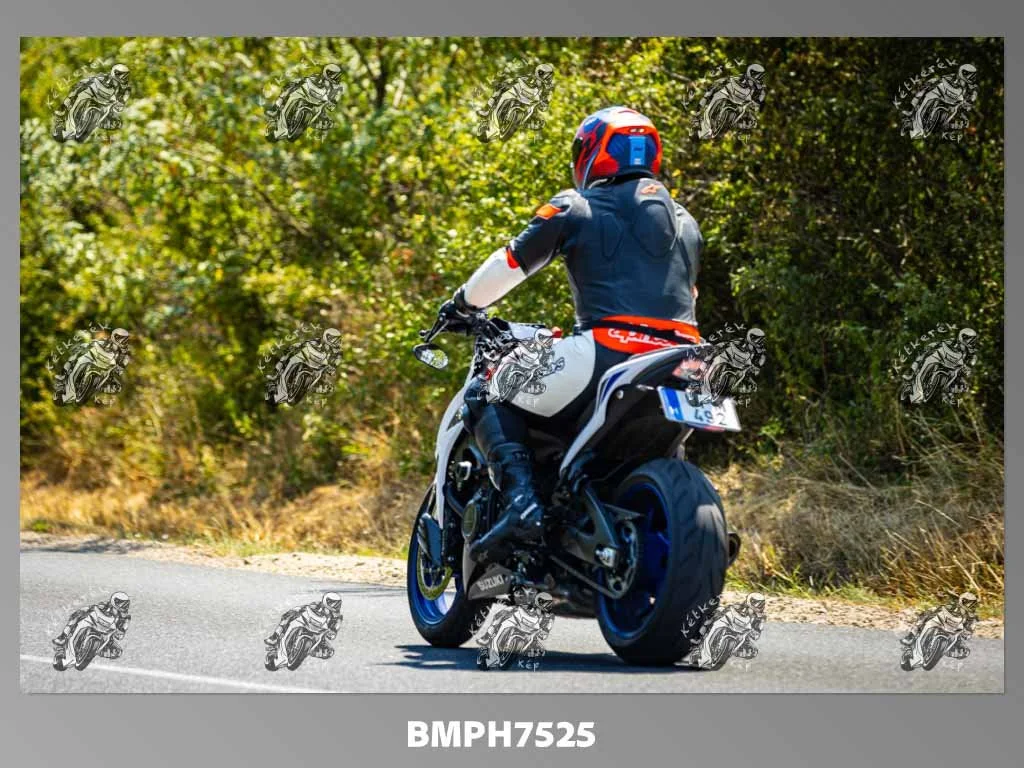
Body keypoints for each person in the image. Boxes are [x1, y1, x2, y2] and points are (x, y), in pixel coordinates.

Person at [435, 106, 705, 563]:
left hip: (609, 351)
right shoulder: (686, 222)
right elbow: (690, 294)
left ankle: (522, 504)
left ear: (593, 153)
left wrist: (463, 304)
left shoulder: (575, 206)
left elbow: (510, 264)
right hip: (689, 361)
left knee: (491, 386)